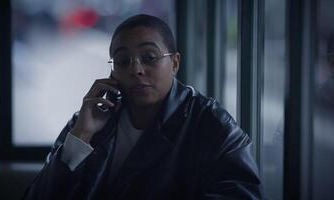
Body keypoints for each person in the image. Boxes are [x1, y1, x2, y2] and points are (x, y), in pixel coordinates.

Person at [23, 14, 263, 200]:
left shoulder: (212, 126)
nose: (136, 69)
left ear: (175, 63)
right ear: (112, 70)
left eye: (149, 57)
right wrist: (81, 135)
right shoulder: (91, 120)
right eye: (123, 60)